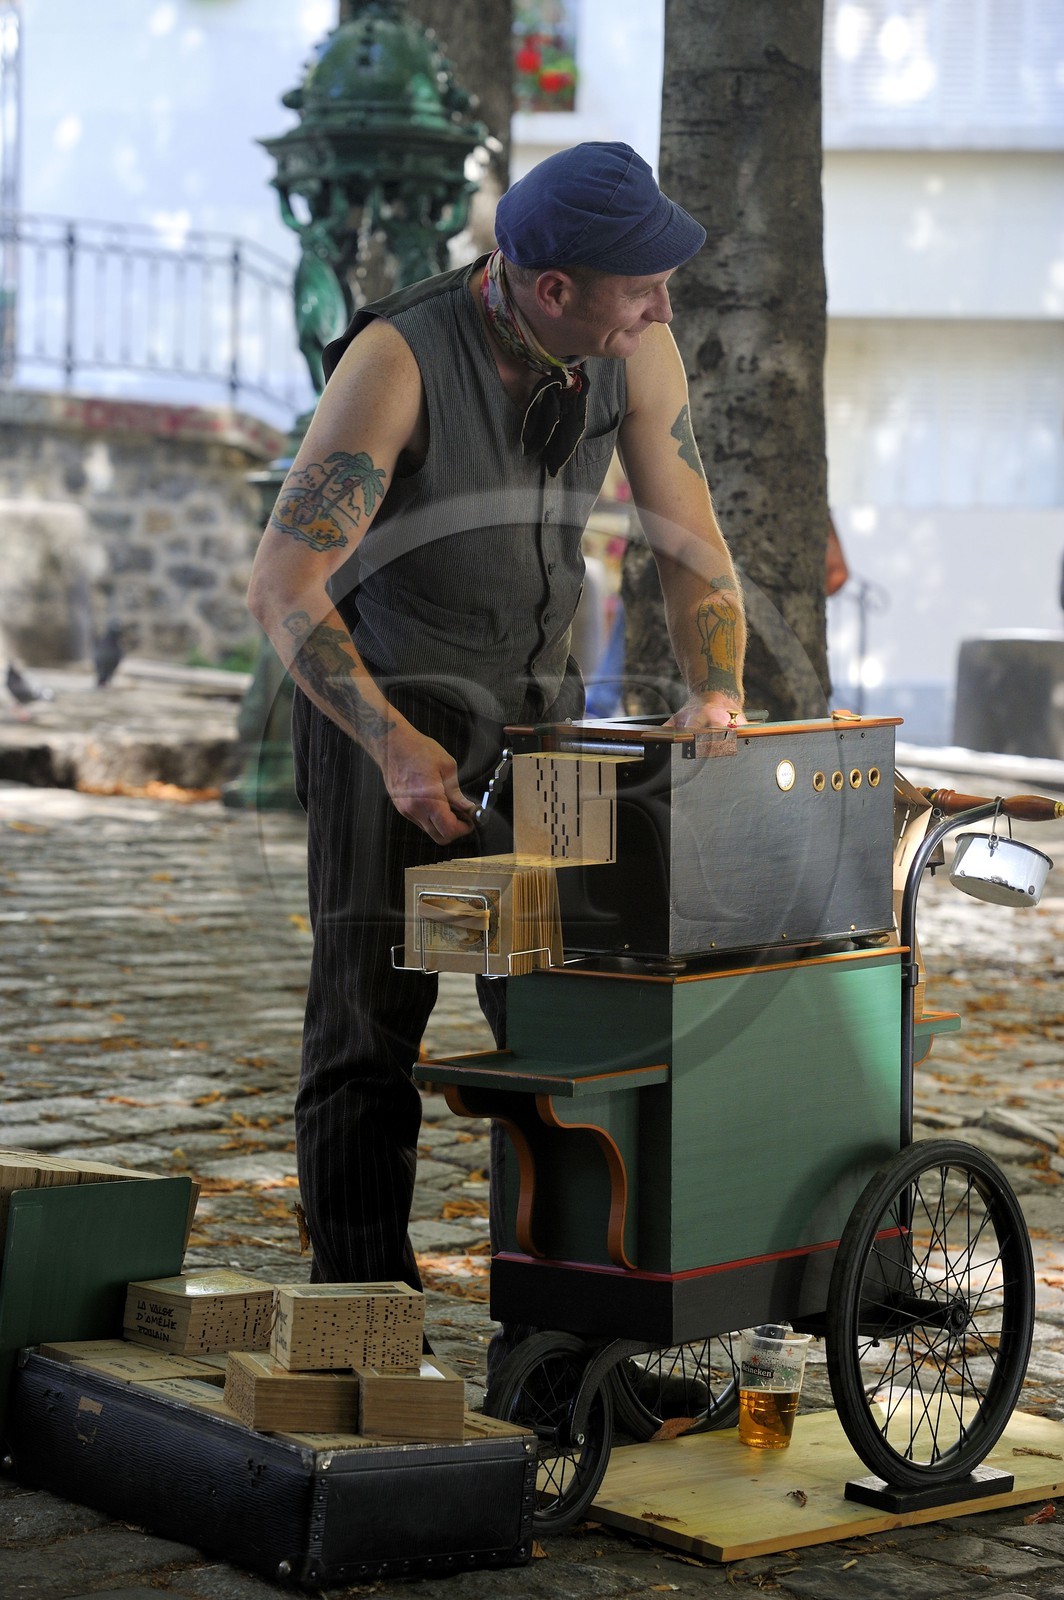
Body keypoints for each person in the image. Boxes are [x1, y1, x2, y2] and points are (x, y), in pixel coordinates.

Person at [246, 142, 747, 1327]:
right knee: (368, 1031)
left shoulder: (632, 346)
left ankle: (572, 1324)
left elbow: (686, 539)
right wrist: (385, 742)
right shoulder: (396, 357)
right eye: (640, 289)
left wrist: (715, 685)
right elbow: (282, 585)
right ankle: (362, 1323)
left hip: (544, 732)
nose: (661, 309)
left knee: (569, 1027)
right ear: (550, 287)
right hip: (388, 724)